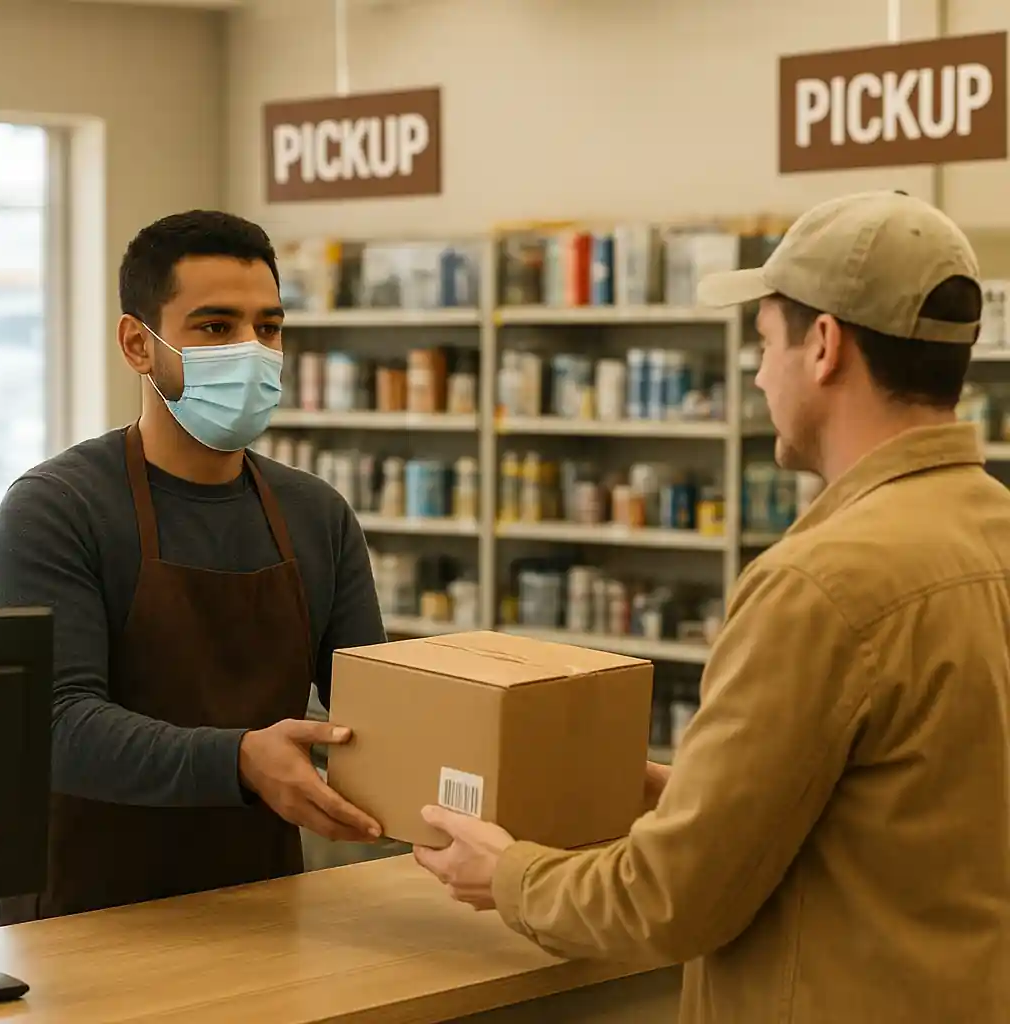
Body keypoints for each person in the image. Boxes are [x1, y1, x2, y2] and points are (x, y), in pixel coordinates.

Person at [413, 191, 1010, 1023]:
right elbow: (913, 810)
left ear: (826, 346)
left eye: (765, 344)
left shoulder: (823, 583)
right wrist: (694, 796)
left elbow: (670, 901)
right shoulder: (991, 533)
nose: (760, 374)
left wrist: (509, 875)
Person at [0, 210, 387, 922]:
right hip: (82, 915)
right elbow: (57, 724)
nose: (252, 350)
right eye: (215, 327)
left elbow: (378, 716)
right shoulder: (57, 508)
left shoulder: (317, 515)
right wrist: (238, 759)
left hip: (261, 901)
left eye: (268, 327)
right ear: (138, 343)